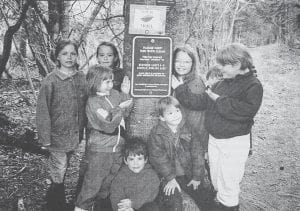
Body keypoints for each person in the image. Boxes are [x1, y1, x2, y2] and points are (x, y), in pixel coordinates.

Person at [172, 43, 263, 211]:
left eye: (223, 65)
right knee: (217, 181)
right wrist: (180, 88)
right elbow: (200, 102)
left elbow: (246, 111)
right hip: (215, 140)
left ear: (236, 65)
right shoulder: (223, 82)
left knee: (228, 183)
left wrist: (217, 99)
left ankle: (228, 207)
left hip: (233, 142)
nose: (219, 68)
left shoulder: (253, 85)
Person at [36, 39, 87, 211]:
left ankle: (51, 200)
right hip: (56, 136)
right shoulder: (50, 81)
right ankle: (56, 205)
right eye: (64, 53)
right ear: (57, 56)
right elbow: (43, 111)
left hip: (74, 135)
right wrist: (45, 138)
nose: (69, 57)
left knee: (63, 170)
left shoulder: (81, 77)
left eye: (73, 53)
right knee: (59, 169)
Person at [75, 65, 133, 211]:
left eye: (111, 80)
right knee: (92, 184)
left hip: (117, 147)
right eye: (105, 81)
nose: (110, 84)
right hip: (101, 148)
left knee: (108, 183)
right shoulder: (93, 102)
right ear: (94, 82)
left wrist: (125, 94)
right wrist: (119, 108)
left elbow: (125, 113)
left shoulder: (114, 94)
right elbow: (108, 124)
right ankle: (81, 207)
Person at [148, 96, 209, 211]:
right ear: (162, 117)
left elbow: (197, 153)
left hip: (189, 173)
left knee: (204, 196)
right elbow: (158, 158)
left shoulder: (189, 128)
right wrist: (170, 178)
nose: (176, 115)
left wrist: (197, 176)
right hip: (169, 176)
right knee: (174, 201)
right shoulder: (156, 133)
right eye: (170, 113)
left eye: (177, 111)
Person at [172, 46, 207, 173]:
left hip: (188, 138)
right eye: (178, 61)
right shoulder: (174, 78)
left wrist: (181, 134)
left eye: (186, 62)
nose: (181, 65)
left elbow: (197, 120)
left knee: (189, 173)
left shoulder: (195, 83)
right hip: (177, 135)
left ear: (193, 63)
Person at [110, 138, 160, 211]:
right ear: (125, 161)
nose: (135, 163)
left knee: (152, 207)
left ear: (145, 160)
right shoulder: (121, 175)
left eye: (139, 159)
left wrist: (132, 202)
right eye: (131, 159)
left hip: (143, 206)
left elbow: (149, 194)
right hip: (127, 208)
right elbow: (115, 194)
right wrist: (121, 208)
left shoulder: (151, 175)